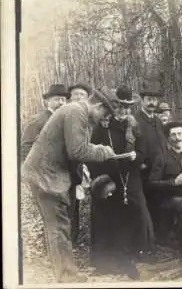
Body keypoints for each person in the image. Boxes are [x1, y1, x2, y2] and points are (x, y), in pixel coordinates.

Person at [21, 87, 117, 283]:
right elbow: (78, 151)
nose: (101, 120)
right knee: (58, 225)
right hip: (45, 176)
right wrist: (103, 151)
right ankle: (66, 276)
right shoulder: (76, 111)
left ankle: (66, 272)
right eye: (104, 114)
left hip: (49, 174)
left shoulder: (78, 112)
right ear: (98, 105)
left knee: (59, 225)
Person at [87, 86, 154, 280]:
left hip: (131, 178)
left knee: (136, 214)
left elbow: (144, 153)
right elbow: (92, 154)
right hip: (110, 179)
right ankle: (111, 259)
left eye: (127, 108)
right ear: (113, 107)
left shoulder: (135, 126)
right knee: (111, 218)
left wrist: (136, 157)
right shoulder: (102, 128)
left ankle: (134, 253)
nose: (123, 112)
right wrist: (101, 177)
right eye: (119, 107)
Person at [148, 121, 182, 257]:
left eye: (180, 133)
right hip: (172, 198)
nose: (177, 137)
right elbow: (152, 183)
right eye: (173, 135)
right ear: (169, 138)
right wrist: (173, 182)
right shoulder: (162, 158)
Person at [134, 85, 169, 246]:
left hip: (160, 171)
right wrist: (140, 164)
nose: (152, 103)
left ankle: (161, 237)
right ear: (142, 101)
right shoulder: (135, 121)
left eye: (154, 100)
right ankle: (147, 242)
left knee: (159, 203)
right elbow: (132, 146)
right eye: (149, 99)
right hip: (143, 173)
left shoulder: (157, 121)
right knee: (145, 208)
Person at [66, 82, 92, 247]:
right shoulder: (65, 115)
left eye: (82, 95)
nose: (79, 97)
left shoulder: (87, 118)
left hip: (78, 169)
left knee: (75, 204)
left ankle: (72, 239)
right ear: (70, 98)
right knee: (62, 206)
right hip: (62, 169)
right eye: (76, 94)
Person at [21, 84, 68, 162]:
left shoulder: (67, 121)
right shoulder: (37, 121)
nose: (60, 103)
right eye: (56, 99)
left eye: (63, 100)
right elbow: (25, 149)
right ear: (48, 101)